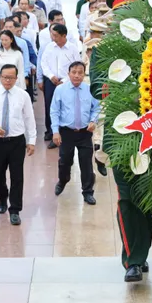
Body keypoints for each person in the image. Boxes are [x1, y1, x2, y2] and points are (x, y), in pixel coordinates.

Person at [0, 64, 36, 225]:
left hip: (17, 141)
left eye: (11, 77)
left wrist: (31, 140)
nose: (8, 80)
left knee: (17, 176)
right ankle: (2, 196)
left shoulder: (23, 95)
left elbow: (29, 119)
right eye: (5, 77)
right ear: (0, 77)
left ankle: (15, 209)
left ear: (16, 78)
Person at [50, 61, 101, 205]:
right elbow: (54, 111)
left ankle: (87, 192)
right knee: (65, 160)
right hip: (66, 132)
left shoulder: (89, 89)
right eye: (74, 72)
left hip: (85, 132)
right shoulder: (60, 90)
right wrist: (55, 132)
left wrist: (93, 120)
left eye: (80, 73)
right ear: (68, 73)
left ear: (84, 74)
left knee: (86, 163)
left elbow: (96, 108)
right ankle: (63, 180)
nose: (77, 76)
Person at [38, 24, 83, 147]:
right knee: (50, 107)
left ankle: (64, 133)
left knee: (65, 107)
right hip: (51, 81)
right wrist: (51, 76)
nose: (53, 38)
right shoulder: (49, 47)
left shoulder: (72, 49)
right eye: (52, 35)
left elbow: (77, 66)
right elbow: (44, 63)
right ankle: (52, 132)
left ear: (64, 36)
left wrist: (65, 79)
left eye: (56, 36)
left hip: (67, 82)